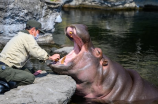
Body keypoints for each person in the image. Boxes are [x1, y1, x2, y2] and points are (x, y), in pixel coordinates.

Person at [0, 20, 60, 88]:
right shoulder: (27, 37)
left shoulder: (21, 35)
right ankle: (5, 84)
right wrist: (50, 57)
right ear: (33, 30)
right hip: (3, 69)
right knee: (30, 78)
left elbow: (31, 55)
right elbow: (35, 50)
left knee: (30, 72)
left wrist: (34, 70)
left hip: (6, 67)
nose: (39, 35)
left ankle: (6, 80)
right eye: (39, 32)